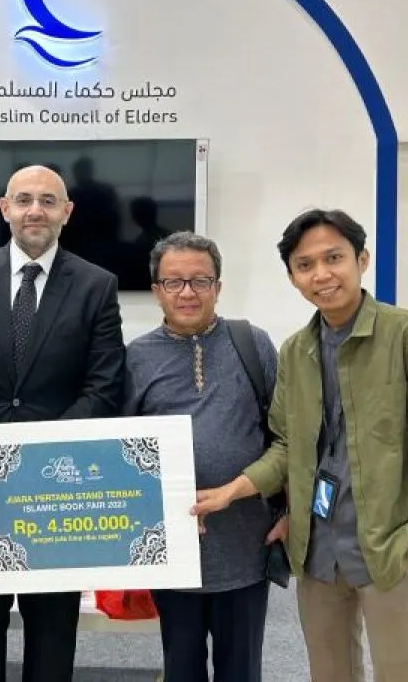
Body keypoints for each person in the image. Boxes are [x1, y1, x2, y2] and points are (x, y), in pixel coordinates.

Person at [192, 208, 408, 682]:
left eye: (334, 258)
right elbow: (287, 446)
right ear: (292, 277)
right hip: (317, 546)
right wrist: (234, 493)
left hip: (389, 543)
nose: (321, 275)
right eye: (305, 265)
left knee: (399, 672)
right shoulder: (296, 351)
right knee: (328, 671)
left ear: (362, 260)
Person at [0, 164, 126, 682]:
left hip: (55, 489)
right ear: (5, 208)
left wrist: (36, 458)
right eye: (25, 199)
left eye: (49, 201)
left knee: (53, 635)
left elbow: (103, 386)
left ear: (67, 212)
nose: (36, 210)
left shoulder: (97, 285)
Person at [124, 231, 287, 682]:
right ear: (156, 290)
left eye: (200, 280)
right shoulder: (136, 357)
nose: (187, 293)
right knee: (182, 668)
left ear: (218, 286)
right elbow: (123, 450)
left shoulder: (253, 343)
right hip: (173, 549)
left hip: (246, 542)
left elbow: (285, 437)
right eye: (173, 282)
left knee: (242, 670)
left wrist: (289, 512)